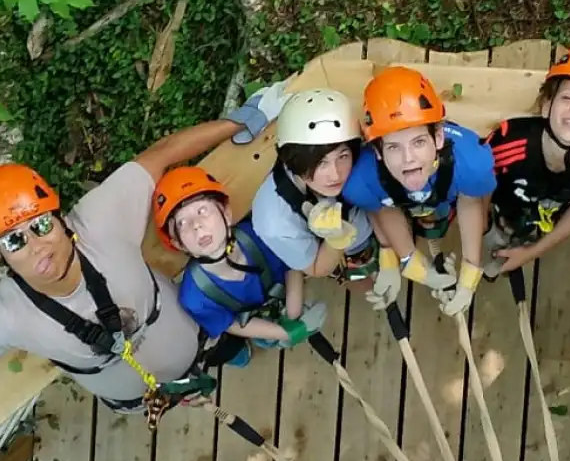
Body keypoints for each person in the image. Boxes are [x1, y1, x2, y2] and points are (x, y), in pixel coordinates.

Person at [0, 81, 290, 443]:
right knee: (189, 378)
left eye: (41, 225)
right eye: (14, 240)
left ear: (61, 219)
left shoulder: (100, 220)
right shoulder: (5, 315)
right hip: (145, 395)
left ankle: (230, 353)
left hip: (197, 333)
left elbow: (160, 156)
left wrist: (241, 123)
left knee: (220, 351)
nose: (37, 247)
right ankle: (213, 367)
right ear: (0, 254)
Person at [342, 66, 497, 316]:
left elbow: (472, 203)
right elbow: (381, 206)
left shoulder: (470, 162)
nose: (408, 159)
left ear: (438, 137)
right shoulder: (362, 180)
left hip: (448, 204)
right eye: (393, 147)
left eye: (418, 142)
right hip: (405, 208)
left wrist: (471, 270)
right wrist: (401, 258)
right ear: (378, 152)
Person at [480, 43, 570, 276]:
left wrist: (533, 252)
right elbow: (481, 186)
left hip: (554, 206)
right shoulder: (507, 142)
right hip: (506, 200)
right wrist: (484, 228)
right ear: (547, 106)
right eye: (568, 97)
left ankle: (530, 229)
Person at [154, 166, 327, 359]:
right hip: (256, 321)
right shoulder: (195, 297)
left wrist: (293, 315)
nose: (196, 225)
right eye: (182, 223)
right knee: (264, 338)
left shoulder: (259, 234)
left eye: (202, 210)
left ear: (226, 214)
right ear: (178, 243)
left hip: (291, 295)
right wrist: (285, 333)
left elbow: (291, 263)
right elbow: (229, 324)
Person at [251, 88, 378, 285]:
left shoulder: (363, 155)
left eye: (343, 156)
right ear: (293, 159)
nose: (335, 175)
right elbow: (317, 267)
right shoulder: (275, 221)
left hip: (376, 223)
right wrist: (336, 239)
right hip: (343, 252)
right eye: (320, 162)